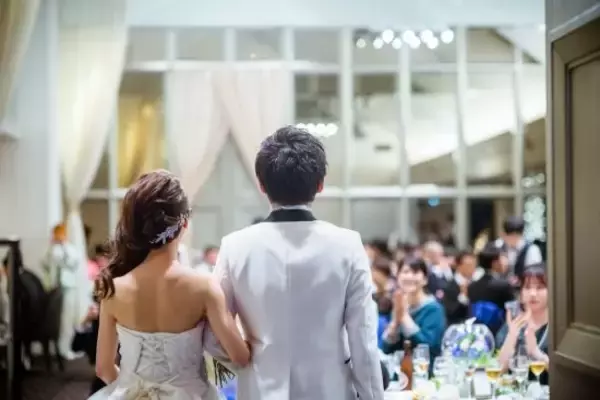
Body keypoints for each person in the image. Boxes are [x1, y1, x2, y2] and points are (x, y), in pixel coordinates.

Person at [204, 126, 384, 400]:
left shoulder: (234, 246)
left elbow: (214, 332)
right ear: (320, 184)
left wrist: (246, 359)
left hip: (259, 390)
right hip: (329, 391)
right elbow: (364, 338)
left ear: (262, 185)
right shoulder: (348, 245)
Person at [90, 170, 251, 400]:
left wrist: (131, 388)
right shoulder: (203, 287)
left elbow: (103, 369)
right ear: (183, 223)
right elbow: (240, 357)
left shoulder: (114, 290)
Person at [381, 258, 446, 367]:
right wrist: (395, 323)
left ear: (425, 279)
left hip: (424, 371)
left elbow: (428, 346)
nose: (410, 276)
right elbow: (386, 349)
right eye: (405, 272)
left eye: (415, 272)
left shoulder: (434, 309)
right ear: (398, 277)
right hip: (399, 371)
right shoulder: (398, 305)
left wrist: (404, 316)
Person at [496, 265, 549, 385]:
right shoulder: (513, 324)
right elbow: (499, 371)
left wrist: (537, 353)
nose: (533, 294)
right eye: (527, 287)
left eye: (540, 288)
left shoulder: (559, 326)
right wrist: (511, 336)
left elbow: (567, 374)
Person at [41, 224, 81, 359]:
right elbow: (44, 263)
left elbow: (73, 263)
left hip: (68, 287)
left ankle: (65, 348)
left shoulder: (70, 249)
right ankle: (56, 349)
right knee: (54, 319)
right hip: (54, 288)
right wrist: (52, 247)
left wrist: (63, 246)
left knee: (67, 318)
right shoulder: (51, 249)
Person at [468, 243, 514, 334]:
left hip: (478, 333)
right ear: (495, 263)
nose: (504, 262)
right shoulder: (503, 285)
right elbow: (512, 312)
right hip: (500, 333)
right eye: (502, 258)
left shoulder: (472, 286)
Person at [442, 250, 485, 325]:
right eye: (469, 265)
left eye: (474, 265)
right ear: (458, 266)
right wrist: (463, 295)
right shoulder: (449, 286)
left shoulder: (478, 283)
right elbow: (450, 312)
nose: (472, 268)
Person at [497, 216, 543, 282]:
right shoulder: (498, 246)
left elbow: (535, 274)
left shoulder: (532, 250)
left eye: (515, 236)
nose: (512, 239)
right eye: (509, 236)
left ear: (521, 234)